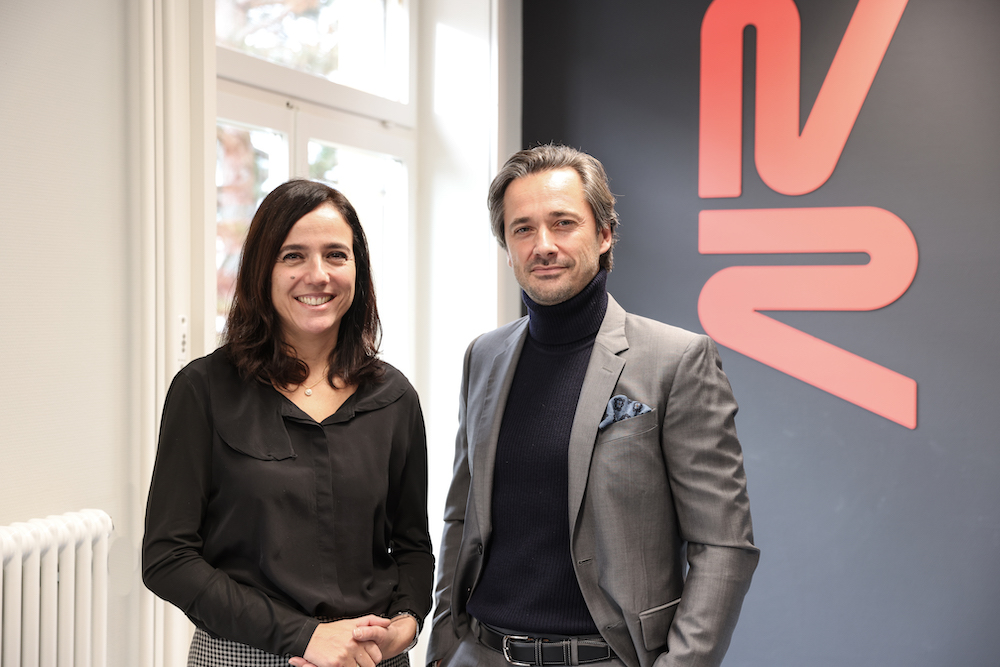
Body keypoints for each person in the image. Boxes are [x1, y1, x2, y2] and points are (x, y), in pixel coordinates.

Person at [426, 145, 759, 667]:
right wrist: (445, 646)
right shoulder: (484, 356)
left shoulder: (676, 360)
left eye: (563, 223)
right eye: (523, 229)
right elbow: (459, 516)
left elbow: (723, 546)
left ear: (605, 234)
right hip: (482, 653)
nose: (544, 245)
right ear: (506, 246)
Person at [143, 180, 434, 667]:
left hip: (370, 658)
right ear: (262, 270)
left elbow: (412, 546)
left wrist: (406, 623)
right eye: (293, 255)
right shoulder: (203, 390)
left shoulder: (394, 398)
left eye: (336, 255)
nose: (317, 275)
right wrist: (304, 636)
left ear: (357, 271)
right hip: (243, 655)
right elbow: (167, 559)